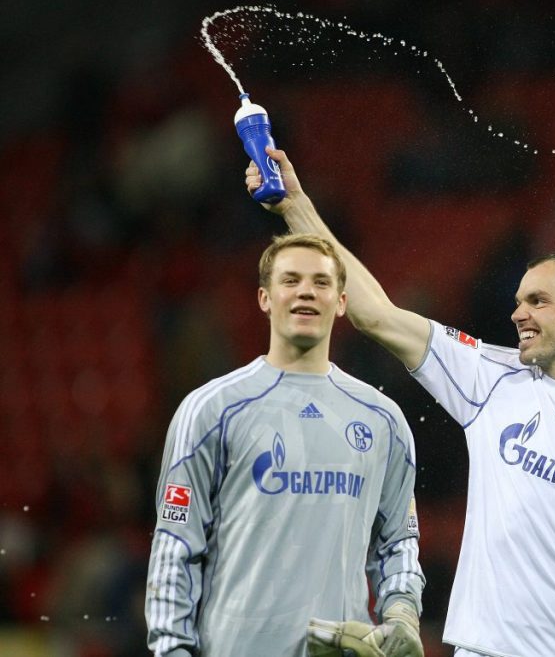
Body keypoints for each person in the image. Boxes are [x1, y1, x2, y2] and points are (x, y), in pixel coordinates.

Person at [246, 149, 555, 656]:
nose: (517, 313)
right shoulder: (489, 377)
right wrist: (296, 206)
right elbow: (377, 315)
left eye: (537, 302)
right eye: (519, 300)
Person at [144, 233, 425, 657]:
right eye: (290, 280)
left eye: (321, 282)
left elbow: (398, 542)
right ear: (264, 298)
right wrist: (171, 650)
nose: (306, 291)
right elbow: (175, 545)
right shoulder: (210, 410)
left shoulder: (383, 420)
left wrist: (402, 610)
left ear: (342, 301)